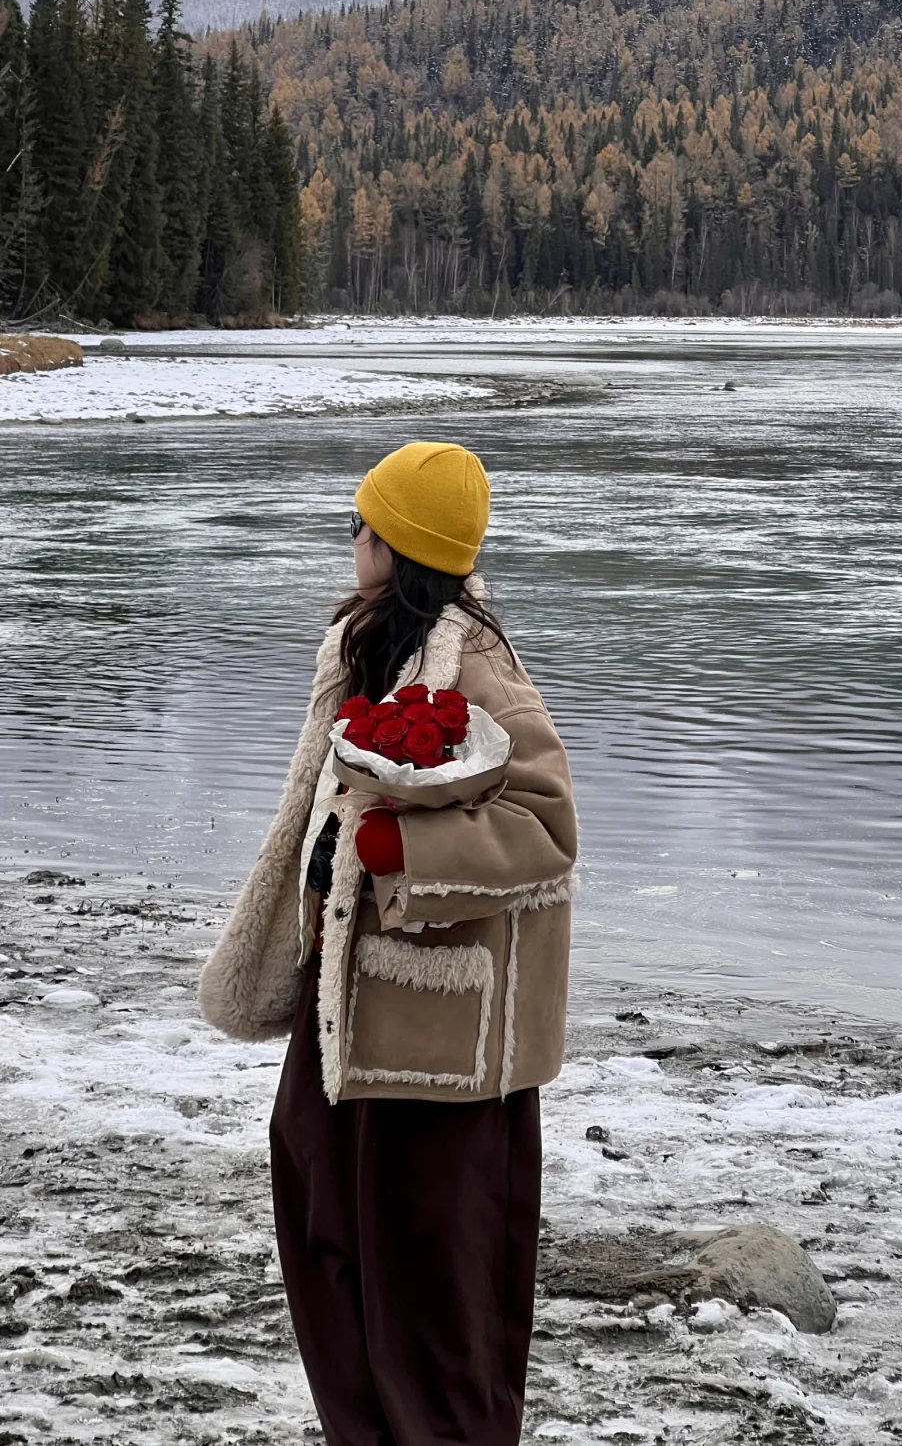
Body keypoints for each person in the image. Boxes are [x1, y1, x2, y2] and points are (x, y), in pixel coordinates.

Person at [199, 440, 577, 1446]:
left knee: (432, 1310)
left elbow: (546, 827)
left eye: (358, 525)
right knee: (326, 1245)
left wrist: (397, 846)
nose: (349, 541)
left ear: (395, 545)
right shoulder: (364, 645)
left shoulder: (478, 663)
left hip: (440, 1052)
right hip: (342, 1019)